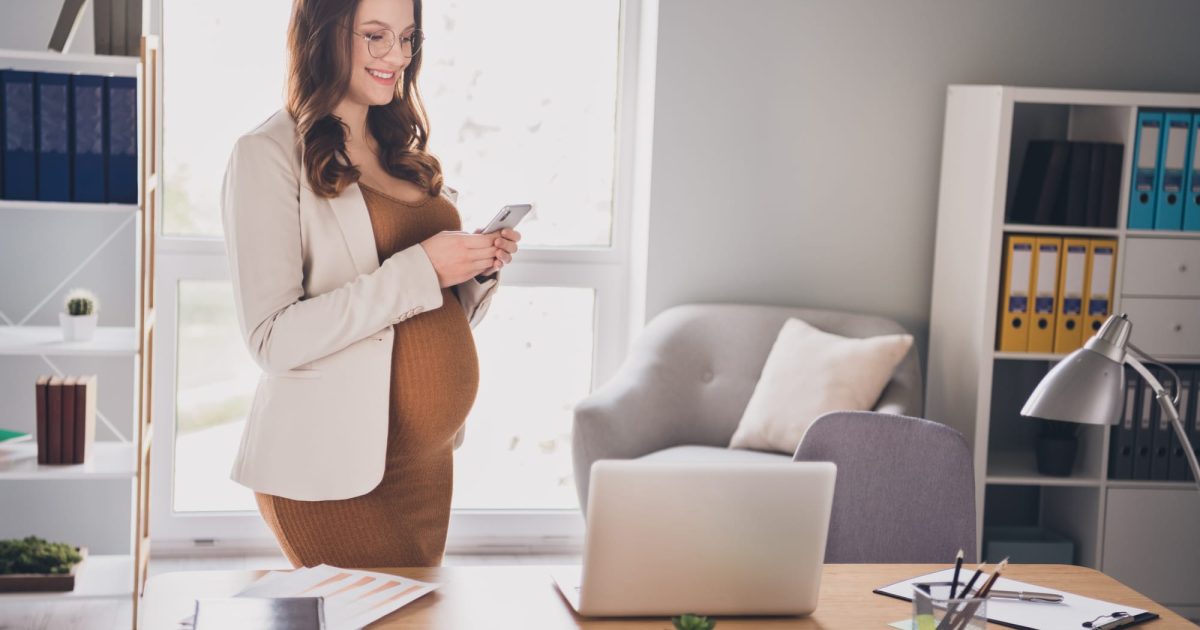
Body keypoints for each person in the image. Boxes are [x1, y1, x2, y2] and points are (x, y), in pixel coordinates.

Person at [219, 0, 520, 568]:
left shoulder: (401, 150)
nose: (397, 57)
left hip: (423, 464)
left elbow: (425, 312)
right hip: (329, 475)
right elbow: (272, 339)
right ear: (323, 34)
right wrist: (423, 268)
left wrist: (474, 272)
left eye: (407, 38)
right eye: (376, 36)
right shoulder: (266, 154)